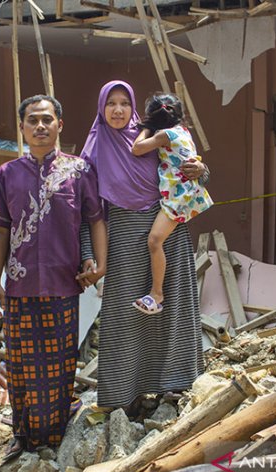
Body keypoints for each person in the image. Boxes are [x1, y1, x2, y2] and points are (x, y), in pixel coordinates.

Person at [0, 94, 107, 461]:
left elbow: (96, 219)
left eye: (47, 120)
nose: (40, 126)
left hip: (64, 285)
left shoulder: (79, 171)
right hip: (20, 288)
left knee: (60, 364)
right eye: (32, 120)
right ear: (21, 126)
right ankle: (23, 436)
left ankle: (54, 437)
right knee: (21, 365)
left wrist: (101, 263)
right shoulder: (5, 176)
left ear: (60, 125)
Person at [78, 80, 206, 410]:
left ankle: (176, 386)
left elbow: (186, 163)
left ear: (133, 107)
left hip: (167, 232)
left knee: (172, 308)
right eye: (111, 104)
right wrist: (90, 254)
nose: (118, 110)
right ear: (101, 108)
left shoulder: (151, 135)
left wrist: (202, 170)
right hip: (121, 235)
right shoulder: (94, 150)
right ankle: (123, 396)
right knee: (124, 314)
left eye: (124, 103)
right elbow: (87, 212)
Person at [130, 93, 213, 315]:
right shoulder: (184, 132)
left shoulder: (165, 135)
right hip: (187, 194)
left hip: (179, 197)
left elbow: (136, 149)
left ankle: (157, 294)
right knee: (157, 241)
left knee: (154, 241)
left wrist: (147, 127)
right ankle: (156, 293)